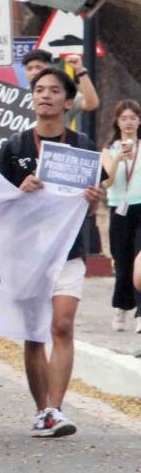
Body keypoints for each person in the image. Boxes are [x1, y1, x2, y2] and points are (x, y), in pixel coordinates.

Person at [0, 68, 103, 437]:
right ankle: (42, 410)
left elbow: (88, 209)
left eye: (55, 91)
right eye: (39, 90)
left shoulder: (84, 147)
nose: (46, 96)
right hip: (27, 254)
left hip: (69, 250)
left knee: (63, 325)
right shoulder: (14, 148)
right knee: (35, 333)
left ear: (68, 102)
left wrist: (92, 201)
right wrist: (19, 189)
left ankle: (55, 408)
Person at [102, 100, 141, 332]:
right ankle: (121, 306)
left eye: (133, 118)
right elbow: (106, 181)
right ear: (117, 121)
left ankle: (140, 313)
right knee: (124, 262)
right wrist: (118, 159)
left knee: (140, 263)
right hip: (119, 209)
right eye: (124, 118)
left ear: (139, 121)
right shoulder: (109, 149)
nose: (128, 122)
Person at [22, 49, 99, 118]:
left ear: (49, 69)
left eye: (39, 67)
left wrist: (80, 71)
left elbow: (91, 104)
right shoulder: (18, 96)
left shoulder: (63, 94)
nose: (34, 72)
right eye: (29, 69)